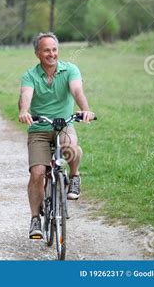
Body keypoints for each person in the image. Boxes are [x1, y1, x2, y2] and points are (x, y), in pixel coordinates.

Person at [18, 32, 95, 239]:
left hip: (64, 125)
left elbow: (77, 90)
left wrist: (85, 109)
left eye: (54, 49)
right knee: (37, 173)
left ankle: (75, 176)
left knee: (70, 148)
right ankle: (35, 219)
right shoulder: (30, 75)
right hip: (39, 129)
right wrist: (24, 111)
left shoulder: (70, 69)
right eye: (46, 50)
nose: (51, 54)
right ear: (37, 53)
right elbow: (26, 95)